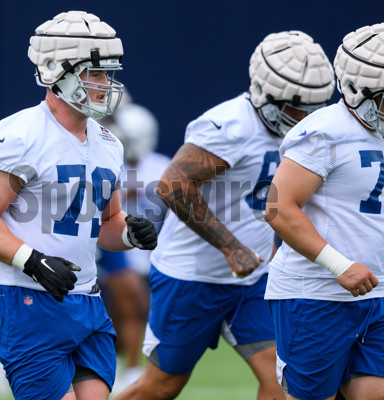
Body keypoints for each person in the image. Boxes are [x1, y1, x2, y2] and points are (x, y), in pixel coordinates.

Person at [114, 31, 335, 400]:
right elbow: (172, 185)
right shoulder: (229, 125)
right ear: (265, 91)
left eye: (312, 106)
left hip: (254, 279)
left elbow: (276, 197)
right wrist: (231, 247)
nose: (303, 117)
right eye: (295, 105)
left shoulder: (308, 130)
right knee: (161, 386)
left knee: (283, 382)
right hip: (192, 276)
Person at [0, 10, 158, 400]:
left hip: (86, 297)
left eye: (109, 73)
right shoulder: (19, 135)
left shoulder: (107, 142)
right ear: (56, 70)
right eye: (95, 73)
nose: (106, 84)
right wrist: (31, 260)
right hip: (25, 299)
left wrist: (130, 232)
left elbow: (106, 223)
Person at [264, 23, 384, 400]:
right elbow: (278, 207)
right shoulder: (326, 130)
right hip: (316, 295)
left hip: (376, 293)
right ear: (357, 90)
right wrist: (338, 264)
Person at [96, 102, 171, 391]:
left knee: (135, 310)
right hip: (107, 248)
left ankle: (130, 369)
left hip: (146, 253)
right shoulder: (107, 160)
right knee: (128, 309)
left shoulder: (160, 165)